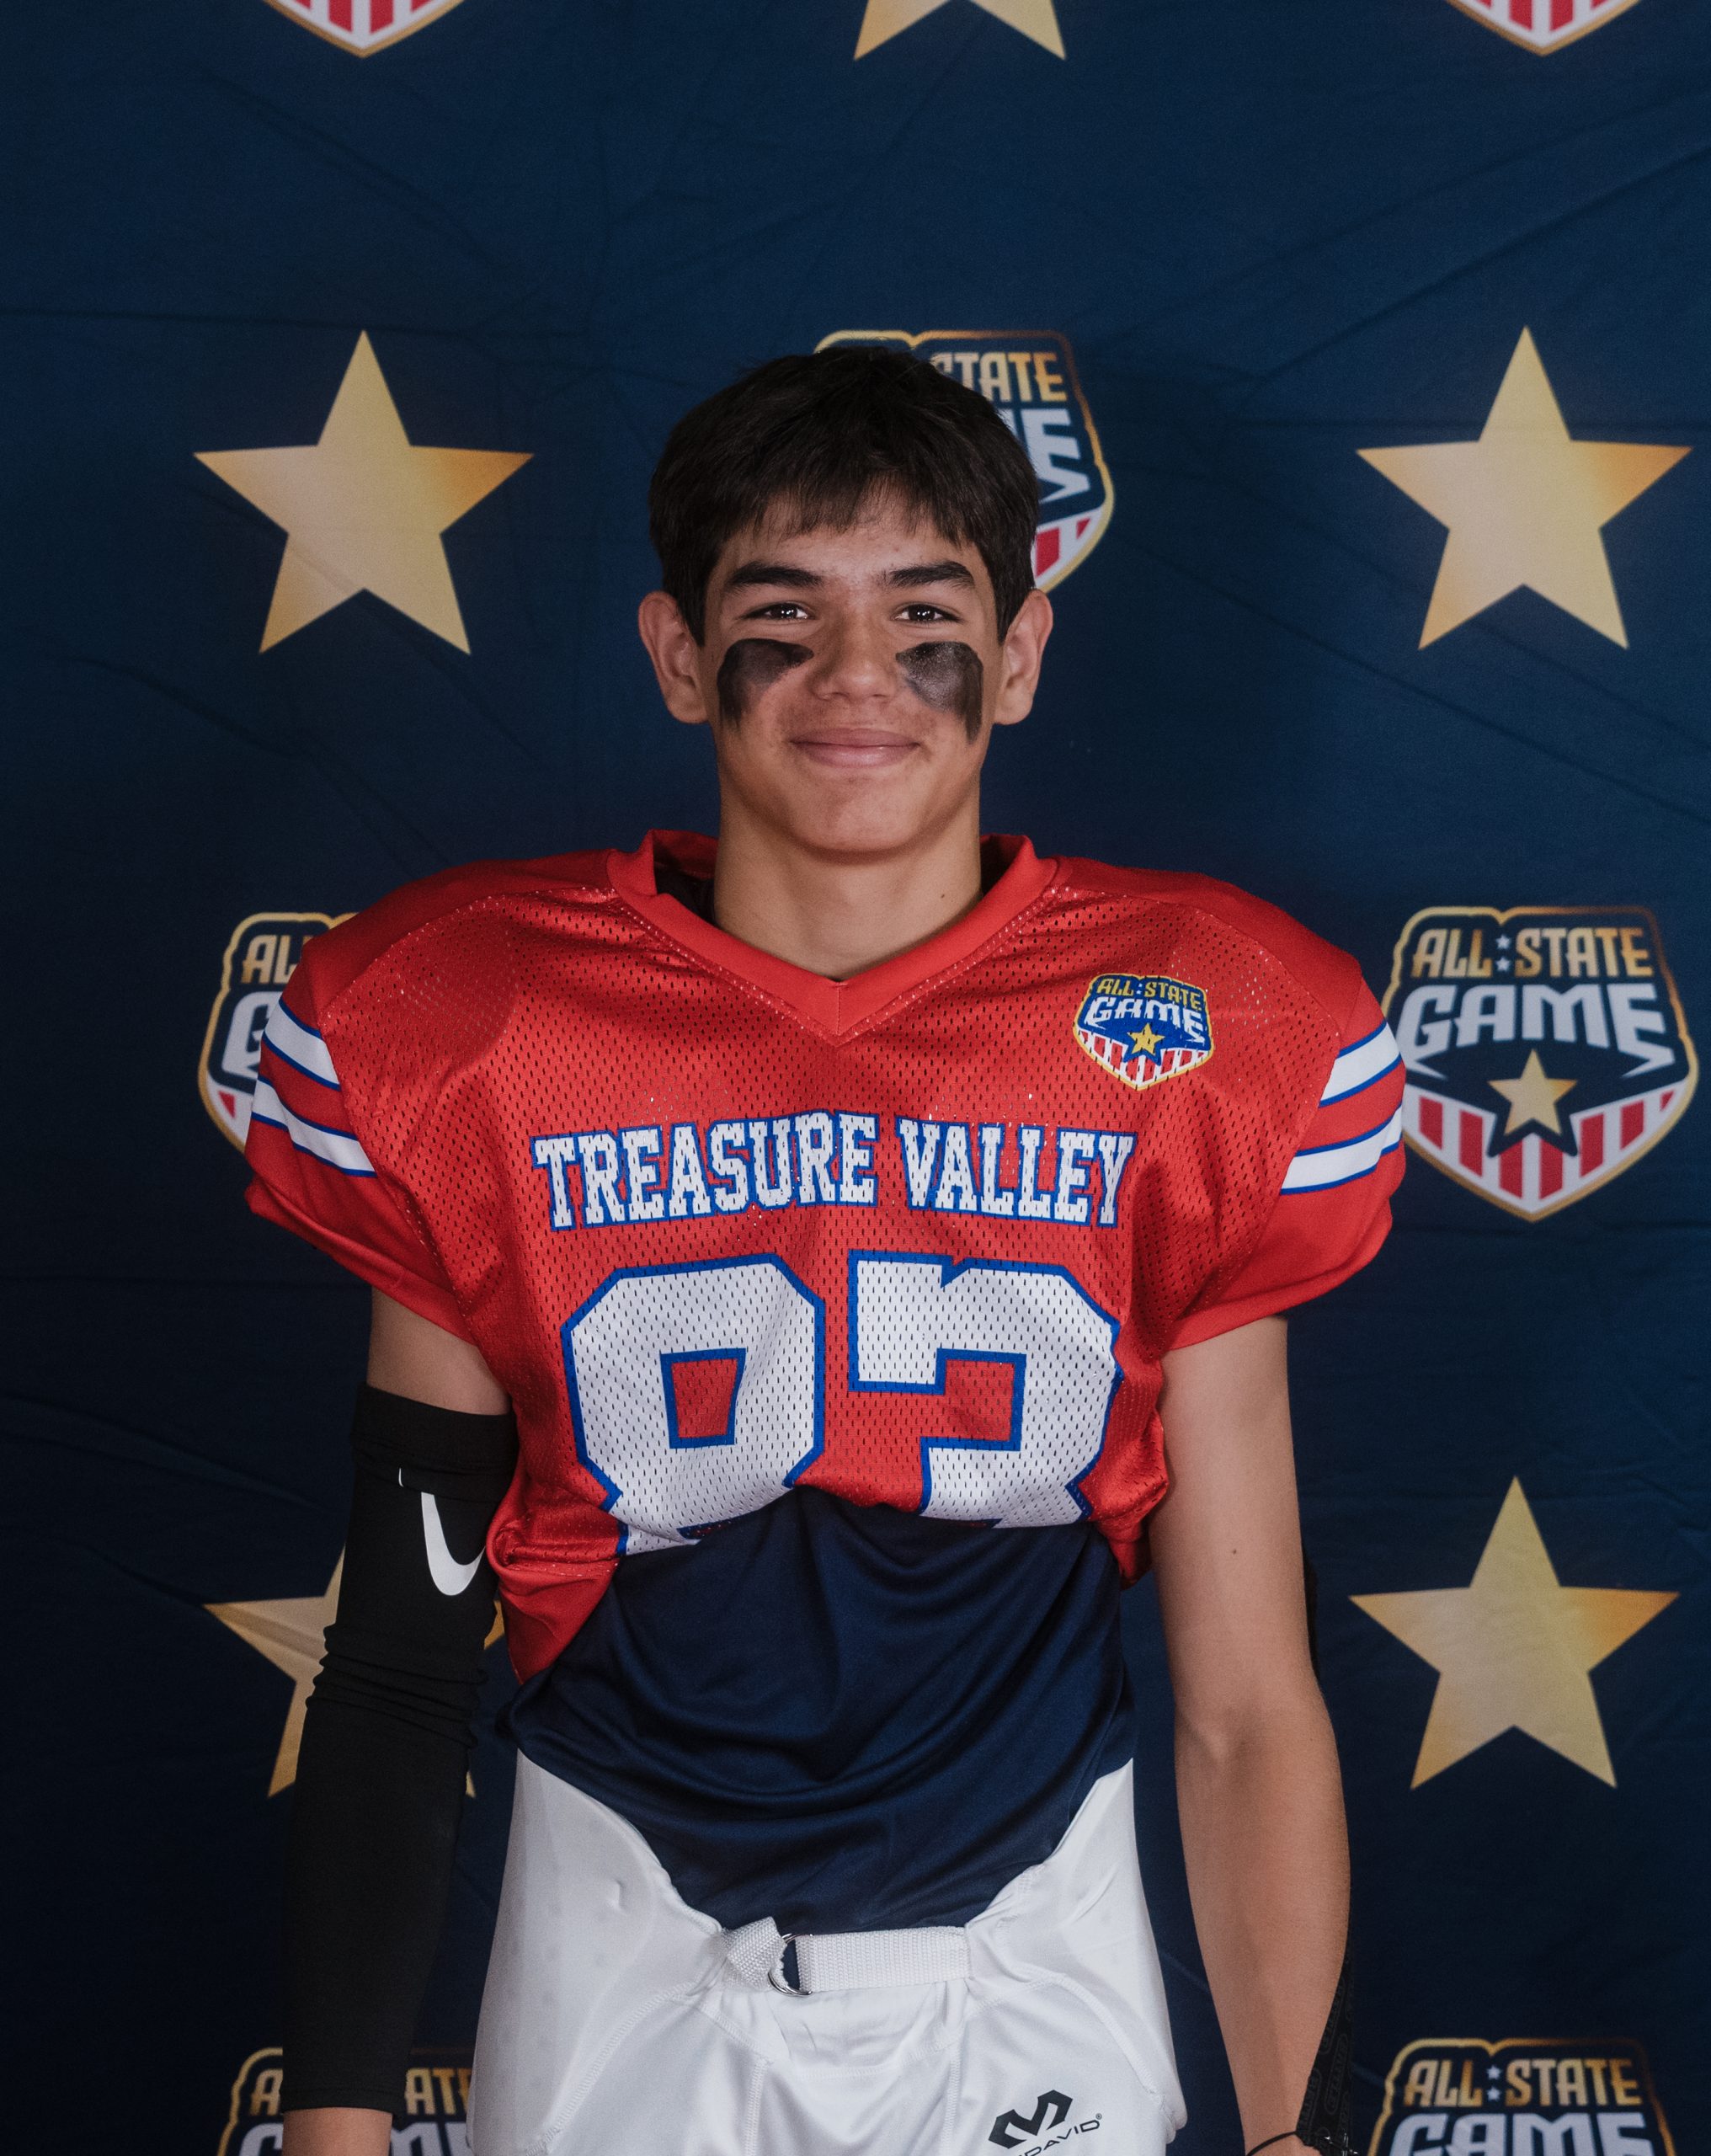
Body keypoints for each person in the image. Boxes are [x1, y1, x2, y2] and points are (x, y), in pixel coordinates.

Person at [246, 345, 1404, 2156]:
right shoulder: (473, 1024)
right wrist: (334, 2127)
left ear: (1019, 654)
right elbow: (401, 1658)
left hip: (1037, 1933)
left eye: (924, 616)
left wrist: (1292, 2135)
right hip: (621, 1927)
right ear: (677, 653)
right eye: (782, 616)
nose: (858, 673)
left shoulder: (1203, 1026)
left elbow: (1247, 1700)